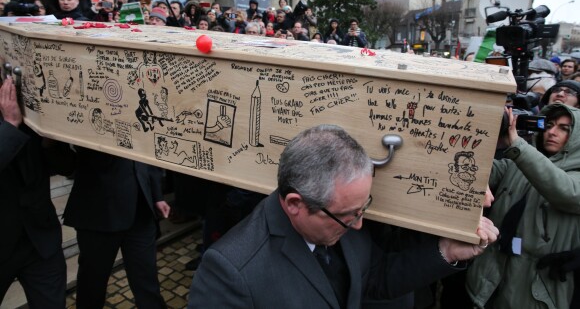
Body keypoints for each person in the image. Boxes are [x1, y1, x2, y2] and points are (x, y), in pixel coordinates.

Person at [188, 124, 498, 308]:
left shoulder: (341, 216)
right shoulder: (229, 272)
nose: (359, 225)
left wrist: (446, 251)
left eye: (363, 209)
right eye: (348, 216)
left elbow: (374, 278)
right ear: (295, 204)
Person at [466, 104, 580, 308]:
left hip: (536, 290)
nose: (552, 132)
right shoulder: (519, 160)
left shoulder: (528, 157)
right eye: (550, 124)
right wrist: (484, 136)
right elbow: (475, 171)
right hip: (492, 277)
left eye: (564, 129)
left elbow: (565, 190)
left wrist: (518, 144)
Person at [63, 144, 170, 308]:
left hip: (141, 212)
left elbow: (147, 150)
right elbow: (66, 163)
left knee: (148, 286)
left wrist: (157, 195)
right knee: (92, 288)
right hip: (99, 213)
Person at [0, 75, 72, 308]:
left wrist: (50, 143)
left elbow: (66, 167)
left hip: (40, 242)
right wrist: (10, 125)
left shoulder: (24, 100)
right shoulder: (11, 112)